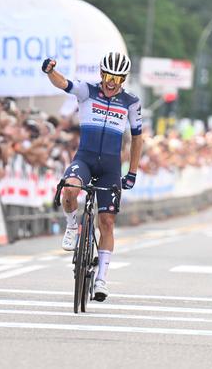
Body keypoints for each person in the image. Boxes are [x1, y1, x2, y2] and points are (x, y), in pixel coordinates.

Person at [42, 52, 143, 302]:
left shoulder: (131, 101)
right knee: (69, 189)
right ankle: (72, 224)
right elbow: (63, 83)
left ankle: (101, 279)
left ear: (124, 79)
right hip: (85, 159)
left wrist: (132, 171)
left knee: (107, 222)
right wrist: (49, 71)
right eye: (109, 76)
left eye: (118, 78)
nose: (112, 82)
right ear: (101, 73)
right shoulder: (88, 91)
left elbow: (138, 138)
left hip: (110, 167)